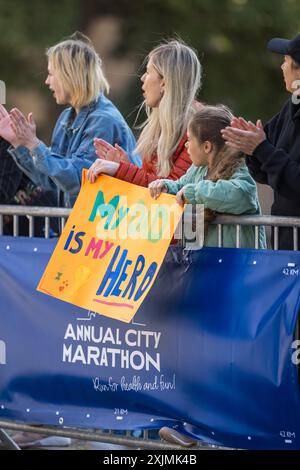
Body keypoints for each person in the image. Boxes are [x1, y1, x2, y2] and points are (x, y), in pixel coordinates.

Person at [0, 32, 139, 210]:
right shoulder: (67, 116)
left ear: (69, 75)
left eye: (51, 74)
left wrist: (34, 144)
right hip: (80, 232)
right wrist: (19, 143)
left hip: (104, 232)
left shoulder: (103, 120)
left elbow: (78, 179)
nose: (47, 81)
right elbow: (51, 180)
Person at [221, 33, 300, 250]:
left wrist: (261, 149)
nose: (282, 67)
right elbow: (266, 172)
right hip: (286, 249)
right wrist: (250, 147)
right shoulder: (292, 105)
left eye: (285, 61)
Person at [87, 39, 202, 187]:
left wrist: (120, 170)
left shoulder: (198, 128)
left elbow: (174, 188)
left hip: (195, 211)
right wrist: (125, 166)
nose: (142, 78)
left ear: (164, 83)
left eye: (147, 72)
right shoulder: (162, 125)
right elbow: (152, 188)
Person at [149, 105, 266, 249]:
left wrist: (194, 193)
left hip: (240, 267)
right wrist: (165, 186)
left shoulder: (240, 167)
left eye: (189, 139)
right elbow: (181, 186)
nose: (186, 145)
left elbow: (242, 195)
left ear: (206, 147)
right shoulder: (198, 169)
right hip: (206, 265)